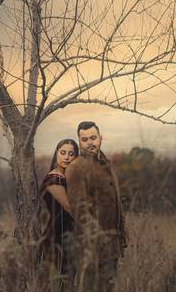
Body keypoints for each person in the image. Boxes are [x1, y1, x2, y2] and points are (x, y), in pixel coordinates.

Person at [64, 121, 126, 291]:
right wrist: (97, 243)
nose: (90, 142)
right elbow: (80, 211)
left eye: (93, 137)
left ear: (100, 138)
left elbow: (117, 204)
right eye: (84, 140)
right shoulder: (76, 168)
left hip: (112, 245)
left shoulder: (106, 164)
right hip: (91, 248)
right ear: (79, 142)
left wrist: (121, 237)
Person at [38, 138, 78, 284]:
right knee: (57, 281)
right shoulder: (53, 179)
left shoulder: (69, 178)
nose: (66, 157)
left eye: (71, 153)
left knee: (69, 281)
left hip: (70, 236)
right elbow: (69, 207)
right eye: (63, 152)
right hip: (57, 236)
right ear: (57, 154)